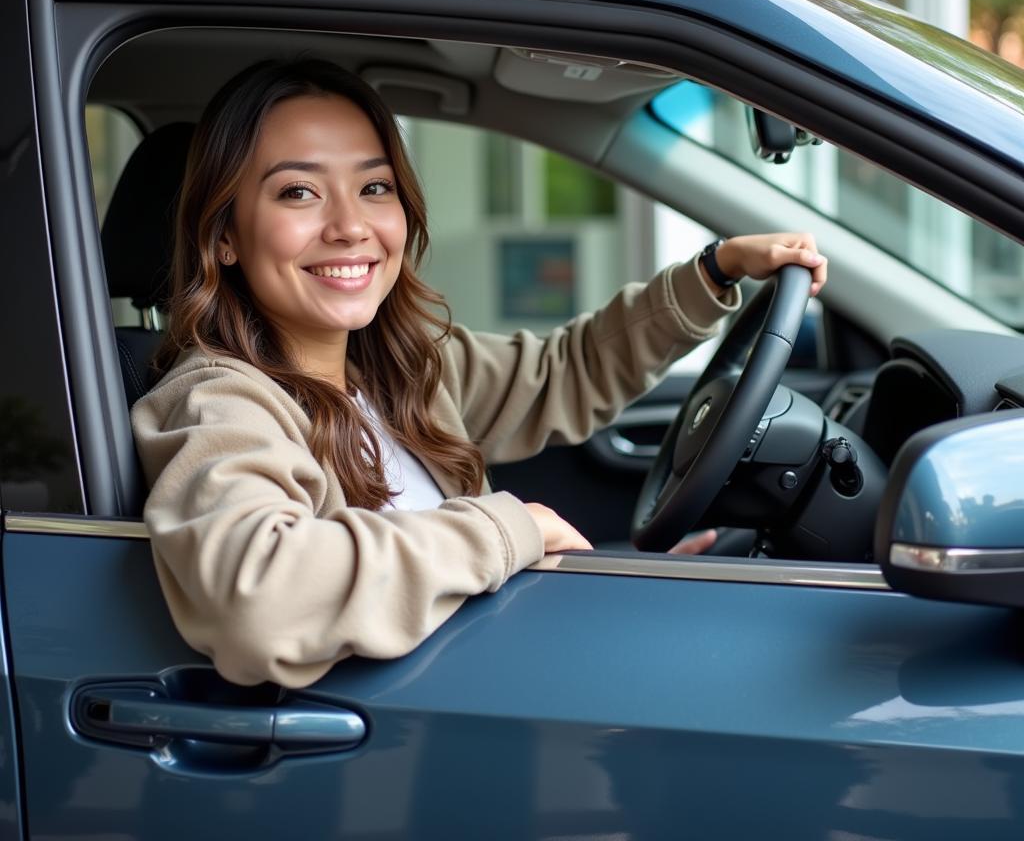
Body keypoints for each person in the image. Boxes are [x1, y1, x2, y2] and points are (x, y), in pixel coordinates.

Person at [133, 58, 827, 690]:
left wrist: (714, 272)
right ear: (223, 235)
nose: (350, 226)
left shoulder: (399, 368)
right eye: (298, 193)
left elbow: (567, 372)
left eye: (374, 186)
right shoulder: (220, 401)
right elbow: (262, 598)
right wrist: (505, 529)